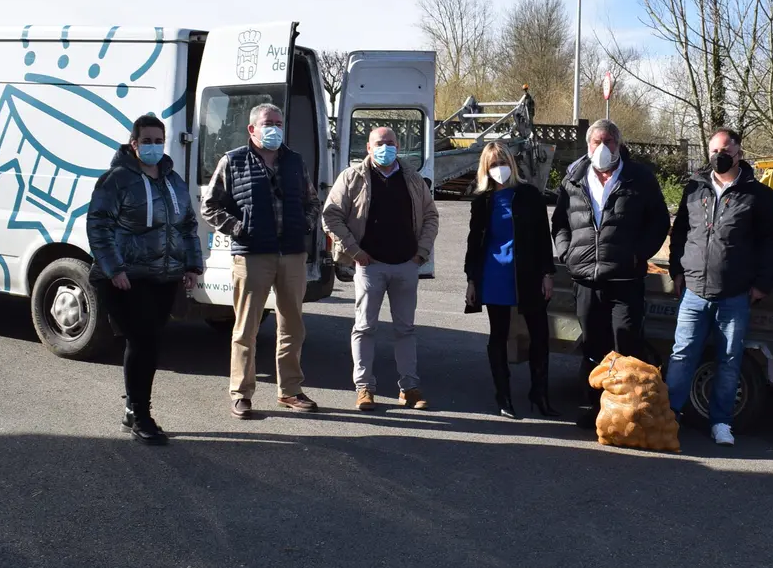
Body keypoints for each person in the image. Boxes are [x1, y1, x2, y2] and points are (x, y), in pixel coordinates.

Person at [202, 103, 322, 420]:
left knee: (292, 326)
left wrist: (305, 224)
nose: (275, 129)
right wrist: (239, 228)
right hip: (252, 255)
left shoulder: (295, 161)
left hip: (292, 254)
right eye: (269, 123)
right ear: (252, 129)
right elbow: (209, 206)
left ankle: (290, 390)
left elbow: (312, 201)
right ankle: (241, 393)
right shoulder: (233, 161)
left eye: (279, 123)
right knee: (246, 329)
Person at [88, 114, 203, 445]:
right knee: (143, 341)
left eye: (158, 141)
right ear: (134, 143)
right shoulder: (116, 180)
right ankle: (140, 415)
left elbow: (187, 225)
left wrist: (192, 265)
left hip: (164, 276)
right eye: (147, 141)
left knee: (148, 342)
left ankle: (133, 409)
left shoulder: (173, 180)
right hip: (127, 277)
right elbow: (98, 224)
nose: (153, 146)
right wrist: (114, 268)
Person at [552, 119, 670, 429]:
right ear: (588, 145)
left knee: (626, 345)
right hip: (586, 280)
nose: (603, 147)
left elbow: (659, 222)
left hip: (625, 280)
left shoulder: (639, 178)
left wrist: (638, 254)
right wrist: (566, 253)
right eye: (597, 142)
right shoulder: (574, 178)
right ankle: (596, 410)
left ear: (619, 144)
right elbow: (560, 223)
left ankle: (629, 415)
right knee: (593, 348)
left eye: (609, 141)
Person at [665, 127, 773, 445]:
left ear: (739, 153)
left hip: (734, 294)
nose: (719, 156)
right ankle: (669, 416)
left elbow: (770, 242)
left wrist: (762, 284)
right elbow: (680, 233)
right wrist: (677, 270)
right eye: (714, 151)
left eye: (726, 150)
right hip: (693, 291)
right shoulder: (694, 188)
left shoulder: (758, 195)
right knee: (682, 355)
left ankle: (721, 422)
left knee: (729, 360)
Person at [322, 126, 440, 411]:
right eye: (379, 143)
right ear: (368, 147)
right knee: (364, 328)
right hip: (369, 265)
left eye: (390, 143)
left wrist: (421, 253)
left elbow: (431, 216)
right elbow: (331, 216)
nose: (385, 148)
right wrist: (355, 251)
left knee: (406, 330)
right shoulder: (351, 177)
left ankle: (409, 388)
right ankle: (364, 388)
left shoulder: (412, 178)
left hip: (406, 265)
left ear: (398, 146)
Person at [464, 141, 559, 419]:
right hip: (495, 274)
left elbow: (543, 237)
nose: (499, 169)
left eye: (503, 163)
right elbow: (474, 242)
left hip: (529, 274)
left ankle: (539, 393)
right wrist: (471, 279)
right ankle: (503, 396)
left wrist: (548, 273)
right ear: (485, 168)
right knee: (499, 335)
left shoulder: (529, 195)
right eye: (494, 164)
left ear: (512, 164)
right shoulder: (482, 201)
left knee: (539, 334)